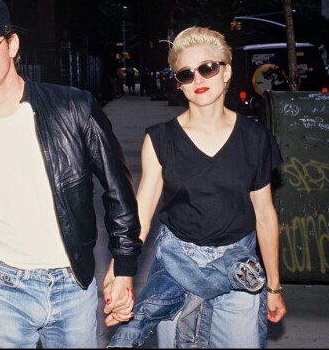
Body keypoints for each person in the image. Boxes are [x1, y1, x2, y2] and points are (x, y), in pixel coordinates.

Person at [0, 0, 142, 349]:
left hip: (72, 282)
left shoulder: (74, 108)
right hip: (1, 289)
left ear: (11, 45)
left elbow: (117, 189)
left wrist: (124, 266)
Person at [109, 26, 286, 348]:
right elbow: (143, 212)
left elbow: (264, 214)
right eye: (186, 74)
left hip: (239, 270)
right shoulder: (160, 138)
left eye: (207, 68)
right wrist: (120, 269)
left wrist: (274, 286)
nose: (198, 80)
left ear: (226, 70)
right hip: (177, 265)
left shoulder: (254, 138)